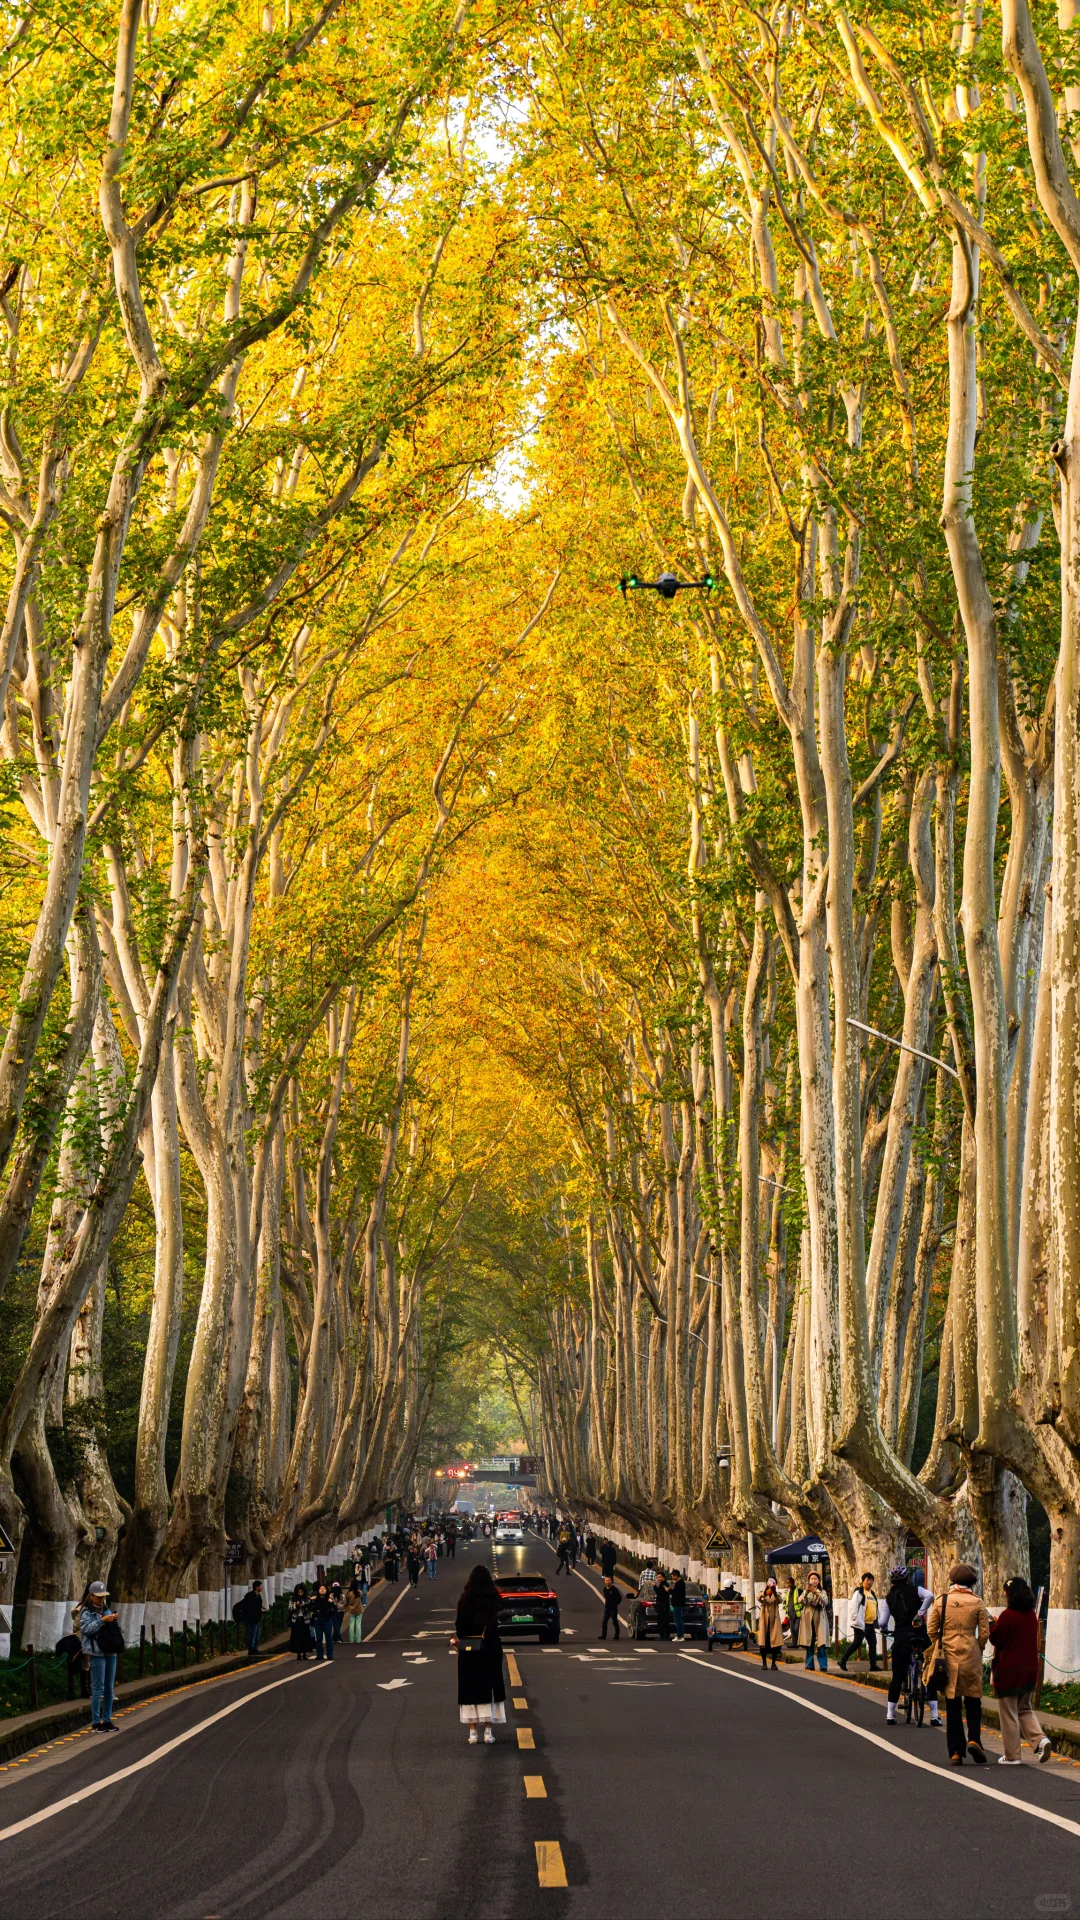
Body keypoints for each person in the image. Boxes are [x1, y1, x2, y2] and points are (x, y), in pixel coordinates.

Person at [925, 1563, 989, 1765]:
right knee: (973, 1700)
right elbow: (985, 1633)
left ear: (952, 1580)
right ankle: (974, 1740)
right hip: (971, 1654)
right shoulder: (977, 1602)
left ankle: (955, 1751)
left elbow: (931, 1629)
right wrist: (978, 1647)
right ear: (972, 1582)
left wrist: (940, 1645)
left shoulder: (941, 1600)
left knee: (952, 1704)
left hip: (948, 1658)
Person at [988, 1577, 1051, 1766]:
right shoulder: (1031, 1614)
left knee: (1008, 1714)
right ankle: (1040, 1740)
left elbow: (997, 1640)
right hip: (1030, 1669)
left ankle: (1012, 1755)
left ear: (1010, 1595)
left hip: (1009, 1671)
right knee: (1024, 1708)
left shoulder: (1008, 1615)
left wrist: (993, 1625)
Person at [454, 1563, 506, 1744]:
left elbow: (459, 1628)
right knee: (489, 1688)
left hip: (469, 1649)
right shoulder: (493, 1599)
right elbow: (498, 1622)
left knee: (470, 1689)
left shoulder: (464, 1600)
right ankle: (488, 1732)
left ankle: (472, 1733)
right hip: (490, 1648)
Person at [78, 1580, 121, 1731]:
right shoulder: (86, 1612)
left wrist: (113, 1619)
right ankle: (96, 1722)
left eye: (103, 1597)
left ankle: (107, 1720)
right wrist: (101, 1621)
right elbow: (85, 1629)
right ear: (91, 1596)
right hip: (96, 1653)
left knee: (109, 1688)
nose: (101, 1600)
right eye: (98, 1597)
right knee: (98, 1689)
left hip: (110, 1651)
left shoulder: (106, 1609)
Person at [841, 1572, 881, 1671]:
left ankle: (873, 1665)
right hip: (861, 1624)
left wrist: (878, 1620)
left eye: (871, 1580)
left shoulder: (872, 1594)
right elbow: (854, 1606)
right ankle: (843, 1661)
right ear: (863, 1581)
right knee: (857, 1643)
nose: (869, 1582)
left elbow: (875, 1607)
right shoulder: (859, 1592)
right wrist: (854, 1619)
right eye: (867, 1580)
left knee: (873, 1644)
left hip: (870, 1624)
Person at [797, 1570, 829, 1670]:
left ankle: (823, 1665)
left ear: (819, 1581)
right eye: (812, 1579)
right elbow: (800, 1601)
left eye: (815, 1579)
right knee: (809, 1642)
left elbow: (825, 1601)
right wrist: (806, 1591)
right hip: (808, 1619)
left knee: (821, 1643)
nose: (813, 1581)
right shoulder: (805, 1591)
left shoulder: (822, 1591)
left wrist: (817, 1593)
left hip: (820, 1619)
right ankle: (809, 1664)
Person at [757, 1577, 784, 1670]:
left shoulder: (777, 1593)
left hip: (774, 1621)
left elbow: (779, 1600)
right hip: (764, 1620)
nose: (771, 1584)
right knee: (763, 1643)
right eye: (769, 1582)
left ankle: (773, 1663)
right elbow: (759, 1598)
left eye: (773, 1582)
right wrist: (765, 1591)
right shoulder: (762, 1592)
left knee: (775, 1644)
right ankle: (764, 1663)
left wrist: (774, 1592)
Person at [235, 1579, 265, 1659]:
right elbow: (249, 1607)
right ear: (256, 1587)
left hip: (257, 1618)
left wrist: (261, 1609)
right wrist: (259, 1609)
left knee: (256, 1634)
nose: (262, 1587)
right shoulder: (250, 1595)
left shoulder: (258, 1596)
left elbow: (257, 1606)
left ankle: (255, 1648)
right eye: (261, 1586)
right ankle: (251, 1649)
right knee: (252, 1634)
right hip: (251, 1618)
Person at [310, 1582, 337, 1661]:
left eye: (324, 1589)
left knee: (329, 1638)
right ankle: (319, 1655)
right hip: (318, 1621)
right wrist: (311, 1600)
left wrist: (331, 1603)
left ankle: (330, 1654)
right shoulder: (315, 1599)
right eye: (320, 1588)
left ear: (326, 1590)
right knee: (319, 1639)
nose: (322, 1590)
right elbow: (309, 1607)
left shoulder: (329, 1600)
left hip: (327, 1621)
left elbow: (335, 1609)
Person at [289, 1584, 313, 1660]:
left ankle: (305, 1653)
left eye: (301, 1592)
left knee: (305, 1637)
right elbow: (290, 1608)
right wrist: (296, 1605)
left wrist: (304, 1605)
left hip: (305, 1620)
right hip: (296, 1620)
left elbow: (310, 1607)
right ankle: (298, 1654)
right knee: (296, 1637)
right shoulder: (292, 1598)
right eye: (298, 1592)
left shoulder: (307, 1598)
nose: (300, 1594)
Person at [654, 1571, 673, 1642]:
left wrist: (655, 1586)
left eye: (660, 1577)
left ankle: (665, 1635)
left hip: (663, 1606)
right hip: (661, 1605)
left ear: (663, 1577)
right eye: (657, 1577)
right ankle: (663, 1635)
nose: (658, 1579)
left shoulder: (664, 1584)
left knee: (664, 1621)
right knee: (661, 1621)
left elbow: (659, 1593)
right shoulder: (662, 1584)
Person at [670, 1571, 687, 1643]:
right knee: (680, 1620)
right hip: (679, 1604)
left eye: (672, 1576)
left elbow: (676, 1593)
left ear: (676, 1575)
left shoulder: (679, 1583)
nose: (672, 1577)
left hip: (678, 1605)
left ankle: (680, 1636)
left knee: (678, 1621)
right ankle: (680, 1635)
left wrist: (669, 1590)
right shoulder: (681, 1583)